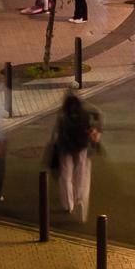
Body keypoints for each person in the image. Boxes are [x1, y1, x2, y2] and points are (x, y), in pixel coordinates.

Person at [48, 92, 101, 221]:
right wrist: (95, 142)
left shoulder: (62, 116)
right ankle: (80, 199)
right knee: (81, 175)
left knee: (66, 177)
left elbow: (57, 134)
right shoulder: (84, 114)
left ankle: (68, 205)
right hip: (81, 147)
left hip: (65, 148)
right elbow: (94, 124)